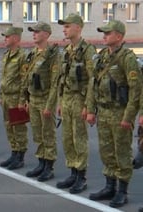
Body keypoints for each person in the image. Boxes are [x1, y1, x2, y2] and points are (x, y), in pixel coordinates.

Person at [86, 20, 142, 208]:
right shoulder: (102, 57)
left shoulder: (127, 58)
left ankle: (122, 191)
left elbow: (135, 89)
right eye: (103, 33)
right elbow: (93, 84)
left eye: (108, 33)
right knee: (106, 151)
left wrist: (128, 116)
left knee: (122, 153)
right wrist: (91, 109)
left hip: (119, 112)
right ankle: (109, 186)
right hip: (104, 111)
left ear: (119, 36)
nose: (104, 36)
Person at [56, 13, 96, 194]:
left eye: (67, 26)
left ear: (78, 27)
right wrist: (60, 100)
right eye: (63, 26)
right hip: (67, 99)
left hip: (80, 99)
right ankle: (72, 171)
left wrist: (89, 106)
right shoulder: (67, 50)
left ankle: (82, 176)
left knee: (79, 138)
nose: (64, 29)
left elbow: (92, 80)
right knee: (67, 138)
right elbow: (62, 78)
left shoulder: (88, 50)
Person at [22, 22, 60, 181]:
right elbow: (26, 77)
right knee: (38, 134)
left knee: (48, 134)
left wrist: (50, 105)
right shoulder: (32, 53)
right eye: (33, 32)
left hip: (45, 100)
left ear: (46, 34)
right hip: (33, 99)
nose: (34, 34)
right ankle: (41, 162)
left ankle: (49, 167)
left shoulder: (52, 55)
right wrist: (26, 99)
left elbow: (54, 82)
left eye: (37, 32)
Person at [0, 26, 28, 170]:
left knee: (18, 128)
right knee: (8, 126)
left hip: (16, 98)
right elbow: (4, 77)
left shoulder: (22, 56)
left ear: (16, 38)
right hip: (6, 97)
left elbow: (24, 80)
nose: (5, 39)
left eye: (7, 36)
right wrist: (0, 95)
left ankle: (20, 156)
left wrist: (22, 100)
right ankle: (14, 152)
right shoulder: (6, 55)